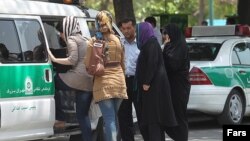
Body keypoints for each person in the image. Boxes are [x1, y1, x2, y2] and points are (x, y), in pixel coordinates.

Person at [47, 16, 93, 141]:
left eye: (61, 32)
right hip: (89, 82)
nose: (61, 35)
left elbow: (72, 59)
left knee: (52, 81)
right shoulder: (85, 39)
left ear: (67, 28)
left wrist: (54, 59)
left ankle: (60, 117)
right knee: (83, 116)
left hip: (77, 78)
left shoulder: (72, 39)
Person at [84, 10, 128, 141]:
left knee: (109, 119)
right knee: (114, 118)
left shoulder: (93, 41)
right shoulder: (118, 40)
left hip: (103, 83)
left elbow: (87, 64)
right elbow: (123, 63)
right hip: (119, 82)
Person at [135, 22, 177, 141]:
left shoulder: (151, 43)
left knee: (154, 120)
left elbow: (152, 63)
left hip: (153, 88)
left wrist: (146, 82)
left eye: (138, 31)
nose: (137, 34)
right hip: (153, 87)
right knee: (153, 120)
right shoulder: (149, 44)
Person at [117, 18, 147, 141]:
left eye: (129, 28)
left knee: (141, 113)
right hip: (123, 81)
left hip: (137, 82)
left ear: (134, 27)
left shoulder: (141, 44)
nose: (126, 31)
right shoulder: (119, 43)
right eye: (123, 29)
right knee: (123, 115)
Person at [162, 23, 191, 141]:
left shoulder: (179, 46)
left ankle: (182, 138)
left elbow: (172, 65)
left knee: (179, 115)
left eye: (166, 33)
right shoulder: (175, 45)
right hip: (173, 86)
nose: (164, 36)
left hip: (179, 87)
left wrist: (165, 47)